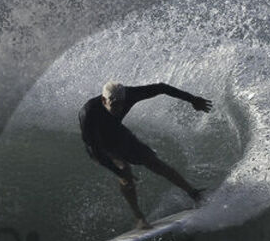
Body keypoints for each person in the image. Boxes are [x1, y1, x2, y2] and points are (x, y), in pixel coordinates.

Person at [79, 81, 212, 229]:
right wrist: (119, 172)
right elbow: (96, 152)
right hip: (99, 145)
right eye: (114, 104)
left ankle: (194, 194)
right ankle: (139, 218)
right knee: (125, 172)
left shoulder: (129, 95)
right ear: (104, 100)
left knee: (154, 162)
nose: (119, 108)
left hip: (118, 134)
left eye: (122, 103)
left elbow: (161, 88)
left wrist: (193, 99)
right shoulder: (89, 113)